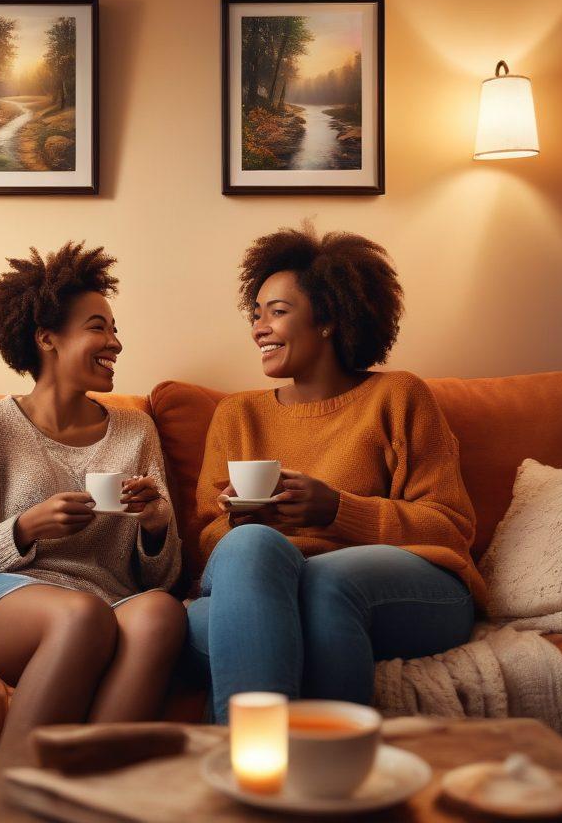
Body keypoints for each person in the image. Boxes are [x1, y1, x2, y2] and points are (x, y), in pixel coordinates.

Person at [185, 224, 486, 725]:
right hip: (262, 582)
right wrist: (242, 522)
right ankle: (257, 767)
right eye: (255, 314)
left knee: (326, 581)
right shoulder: (237, 415)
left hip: (401, 588)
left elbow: (451, 528)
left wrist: (338, 511)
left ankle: (324, 773)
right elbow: (207, 539)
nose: (259, 328)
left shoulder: (399, 397)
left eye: (277, 312)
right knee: (253, 546)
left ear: (327, 318)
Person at [0, 241, 185, 807]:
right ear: (47, 337)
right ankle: (1, 814)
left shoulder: (136, 431)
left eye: (115, 328)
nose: (116, 342)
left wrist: (157, 526)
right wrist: (24, 528)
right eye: (98, 327)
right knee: (81, 616)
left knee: (162, 616)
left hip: (106, 603)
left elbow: (160, 582)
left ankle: (88, 811)